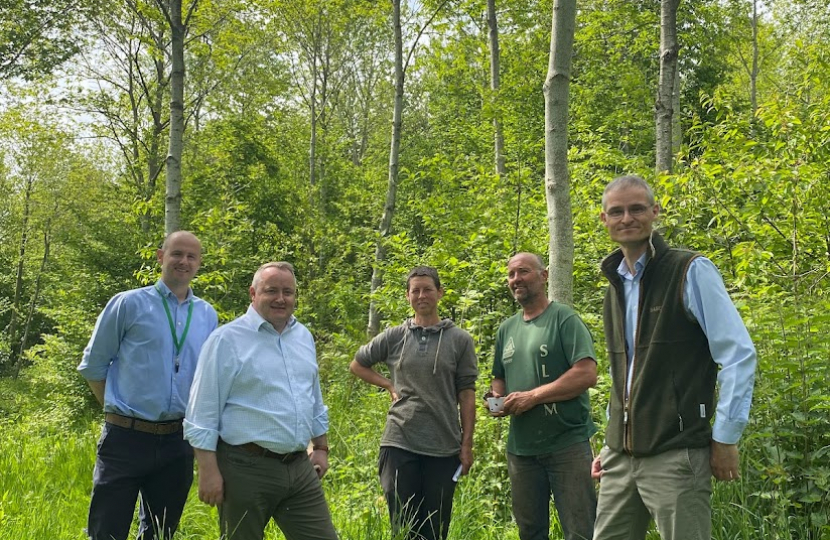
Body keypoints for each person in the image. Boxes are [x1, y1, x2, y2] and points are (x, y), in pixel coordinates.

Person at [592, 175, 757, 540]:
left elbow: (738, 355)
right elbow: (625, 372)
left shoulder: (690, 270)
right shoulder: (614, 287)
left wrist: (726, 438)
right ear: (604, 219)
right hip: (620, 457)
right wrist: (611, 438)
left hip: (676, 453)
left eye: (636, 208)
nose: (627, 218)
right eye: (616, 211)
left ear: (655, 212)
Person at [77, 231, 219, 540]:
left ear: (199, 263)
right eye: (177, 254)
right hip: (124, 439)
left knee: (160, 532)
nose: (184, 261)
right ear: (160, 257)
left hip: (177, 441)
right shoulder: (128, 304)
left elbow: (207, 379)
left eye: (191, 256)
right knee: (106, 531)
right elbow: (93, 365)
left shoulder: (207, 315)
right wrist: (115, 411)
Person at [184, 261, 338, 540]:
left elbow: (313, 398)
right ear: (253, 293)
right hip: (245, 468)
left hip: (300, 469)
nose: (281, 299)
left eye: (288, 292)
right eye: (271, 291)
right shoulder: (226, 340)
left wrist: (321, 446)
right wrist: (207, 471)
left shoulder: (302, 336)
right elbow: (202, 412)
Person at [349, 266, 478, 540]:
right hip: (399, 441)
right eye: (415, 290)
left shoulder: (459, 340)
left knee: (435, 528)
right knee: (404, 526)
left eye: (428, 289)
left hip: (443, 445)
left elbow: (467, 393)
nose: (422, 295)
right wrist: (387, 384)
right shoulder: (396, 336)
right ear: (407, 296)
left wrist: (466, 445)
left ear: (440, 293)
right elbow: (358, 364)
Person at [487, 252, 598, 540]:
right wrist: (495, 400)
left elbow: (586, 373)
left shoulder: (564, 319)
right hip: (521, 450)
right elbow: (498, 377)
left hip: (567, 445)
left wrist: (533, 397)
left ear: (544, 275)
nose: (515, 280)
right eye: (511, 275)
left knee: (581, 529)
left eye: (523, 272)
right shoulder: (506, 329)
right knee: (530, 530)